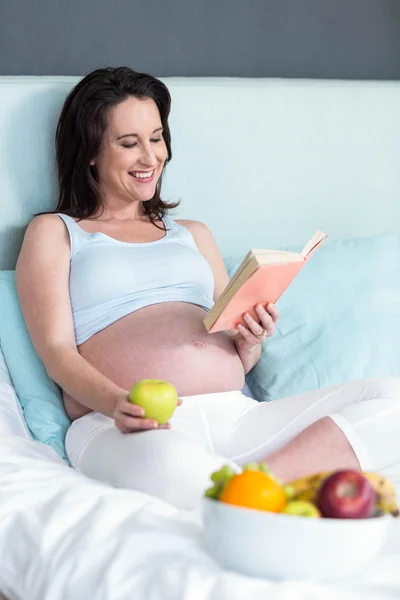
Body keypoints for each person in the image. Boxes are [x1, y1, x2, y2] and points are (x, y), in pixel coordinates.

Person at [16, 67, 400, 511]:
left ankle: (245, 490)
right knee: (172, 465)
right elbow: (56, 349)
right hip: (124, 426)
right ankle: (263, 489)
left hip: (234, 417)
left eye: (156, 138)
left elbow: (238, 349)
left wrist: (249, 338)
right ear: (89, 153)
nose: (150, 158)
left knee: (390, 399)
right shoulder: (56, 232)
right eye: (129, 143)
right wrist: (116, 402)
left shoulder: (193, 233)